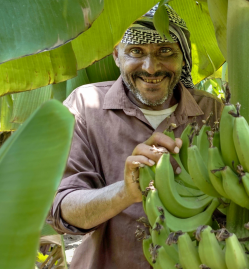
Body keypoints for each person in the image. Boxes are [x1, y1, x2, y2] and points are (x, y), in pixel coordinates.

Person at [47, 5, 223, 268]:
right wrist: (125, 192)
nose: (151, 68)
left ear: (183, 57)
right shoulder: (85, 106)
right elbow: (64, 209)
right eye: (136, 52)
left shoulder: (212, 113)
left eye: (165, 51)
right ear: (117, 55)